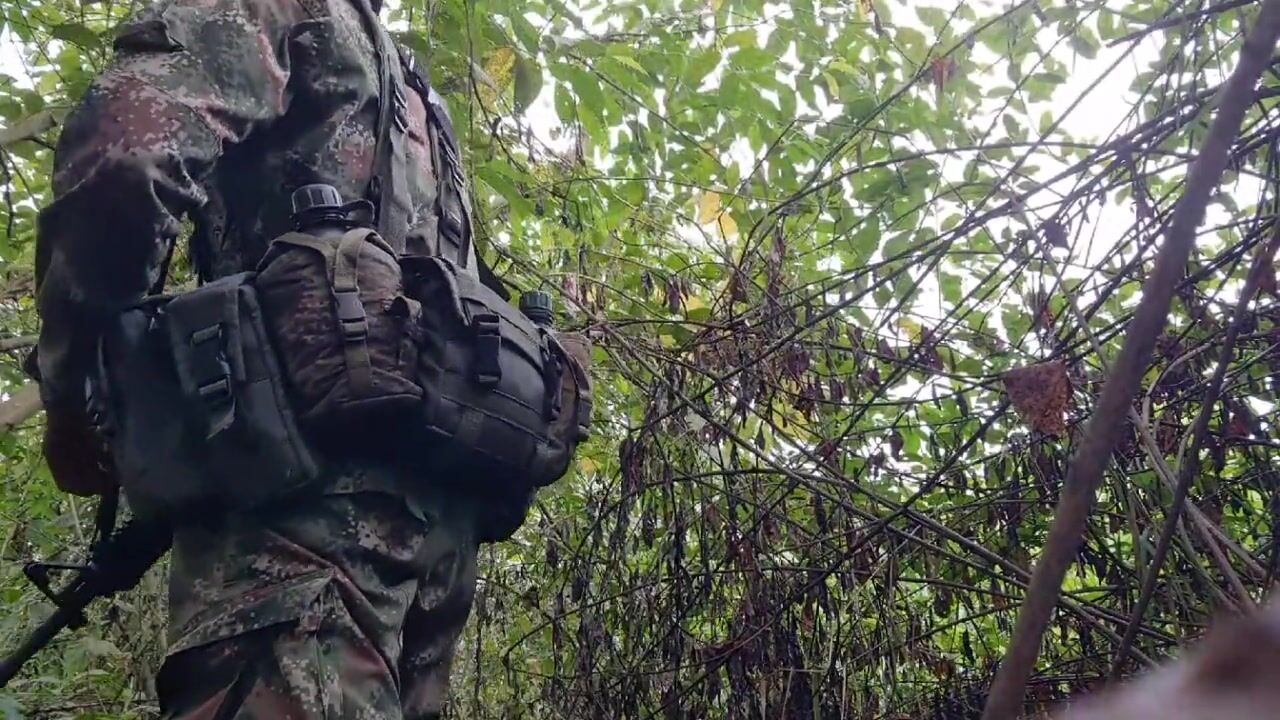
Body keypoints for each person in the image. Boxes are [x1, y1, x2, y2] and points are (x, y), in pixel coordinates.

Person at [27, 0, 526, 715]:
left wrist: (72, 393)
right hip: (433, 544)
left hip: (295, 521)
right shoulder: (413, 92)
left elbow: (125, 158)